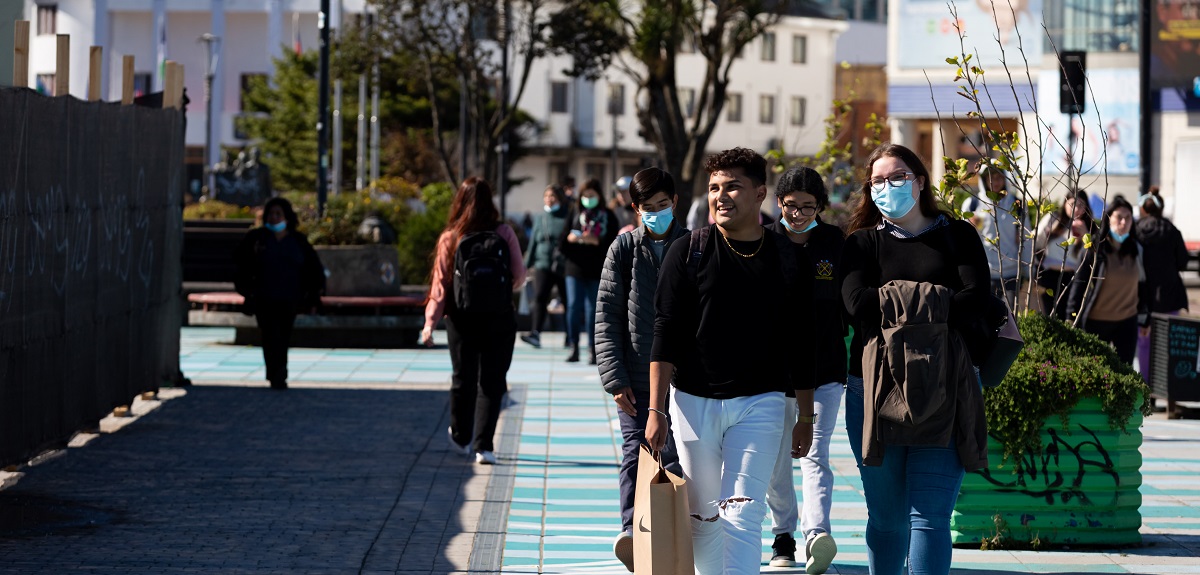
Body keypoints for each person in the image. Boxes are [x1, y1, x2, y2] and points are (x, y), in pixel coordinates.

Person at [646, 147, 817, 574]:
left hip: (761, 403)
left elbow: (801, 340)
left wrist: (806, 415)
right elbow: (664, 333)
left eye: (732, 186)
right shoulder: (688, 251)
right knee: (703, 518)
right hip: (692, 401)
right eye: (714, 188)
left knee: (742, 515)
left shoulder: (785, 257)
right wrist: (656, 409)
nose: (720, 196)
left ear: (760, 193)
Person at [841, 143, 990, 575]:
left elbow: (976, 301)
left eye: (898, 176)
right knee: (887, 521)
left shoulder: (957, 235)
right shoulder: (862, 244)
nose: (888, 186)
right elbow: (854, 304)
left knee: (929, 519)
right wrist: (936, 303)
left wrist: (891, 300)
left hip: (947, 386)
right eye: (879, 180)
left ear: (920, 181)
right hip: (872, 390)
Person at [594, 167, 688, 572]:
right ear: (636, 210)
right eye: (648, 208)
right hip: (635, 376)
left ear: (675, 203)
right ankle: (633, 532)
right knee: (637, 453)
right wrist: (614, 379)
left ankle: (685, 530)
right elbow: (607, 315)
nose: (656, 213)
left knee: (680, 454)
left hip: (686, 379)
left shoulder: (694, 245)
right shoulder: (624, 249)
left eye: (663, 205)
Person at [763, 166, 846, 573]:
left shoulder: (833, 242)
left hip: (826, 370)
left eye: (807, 207)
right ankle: (783, 536)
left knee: (815, 454)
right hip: (773, 375)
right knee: (778, 458)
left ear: (820, 207)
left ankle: (818, 536)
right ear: (778, 203)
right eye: (791, 206)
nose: (797, 214)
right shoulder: (763, 241)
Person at [421, 177, 528, 465]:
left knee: (463, 378)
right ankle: (484, 446)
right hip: (499, 317)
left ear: (459, 201)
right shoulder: (503, 232)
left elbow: (440, 286)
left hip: (461, 318)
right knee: (493, 381)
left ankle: (460, 436)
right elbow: (519, 276)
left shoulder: (451, 236)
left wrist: (430, 322)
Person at [233, 197, 325, 391]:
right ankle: (274, 372)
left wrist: (314, 294)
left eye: (278, 214)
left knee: (283, 336)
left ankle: (280, 371)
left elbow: (312, 268)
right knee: (269, 335)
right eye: (271, 214)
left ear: (287, 217)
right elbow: (241, 265)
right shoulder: (257, 239)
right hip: (264, 298)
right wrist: (247, 291)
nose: (274, 218)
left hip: (289, 297)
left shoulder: (297, 241)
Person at [1066, 195, 1149, 365]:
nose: (1124, 223)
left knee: (1125, 371)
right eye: (1119, 217)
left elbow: (1143, 286)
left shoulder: (1137, 250)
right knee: (1095, 372)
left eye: (1128, 218)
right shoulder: (1094, 250)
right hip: (1096, 322)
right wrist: (1070, 316)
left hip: (1127, 322)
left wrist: (1145, 318)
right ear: (1109, 219)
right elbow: (1079, 283)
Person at [558, 178, 619, 364]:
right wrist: (571, 239)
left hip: (596, 268)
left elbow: (612, 243)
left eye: (591, 195)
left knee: (594, 309)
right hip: (574, 268)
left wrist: (596, 241)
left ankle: (593, 349)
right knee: (573, 307)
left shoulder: (607, 215)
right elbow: (561, 243)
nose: (588, 199)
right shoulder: (575, 213)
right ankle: (573, 345)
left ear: (599, 196)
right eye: (585, 196)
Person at [1134, 186, 1190, 379]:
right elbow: (1183, 262)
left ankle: (1145, 387)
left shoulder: (1137, 230)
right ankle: (1164, 387)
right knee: (1166, 343)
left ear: (1144, 209)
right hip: (1170, 294)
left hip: (1142, 296)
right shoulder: (1172, 231)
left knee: (1144, 342)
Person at [963, 164, 1031, 307]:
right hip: (984, 272)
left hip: (1012, 272)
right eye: (990, 177)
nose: (995, 181)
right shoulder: (973, 204)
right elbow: (963, 239)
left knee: (1010, 316)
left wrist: (1029, 271)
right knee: (986, 315)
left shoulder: (1016, 204)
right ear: (984, 180)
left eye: (999, 177)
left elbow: (1026, 238)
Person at [519, 185, 570, 349]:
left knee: (567, 301)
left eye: (552, 196)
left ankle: (570, 335)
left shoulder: (567, 217)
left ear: (560, 198)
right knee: (540, 297)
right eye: (546, 195)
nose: (549, 199)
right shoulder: (540, 218)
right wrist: (525, 266)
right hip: (542, 264)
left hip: (562, 266)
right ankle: (535, 333)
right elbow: (533, 242)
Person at [1034, 189, 1093, 320]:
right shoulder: (1053, 219)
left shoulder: (1089, 227)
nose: (1076, 209)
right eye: (1072, 204)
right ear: (1065, 204)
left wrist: (1085, 235)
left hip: (1073, 278)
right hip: (1050, 276)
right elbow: (1036, 241)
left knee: (1069, 317)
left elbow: (1090, 256)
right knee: (1050, 317)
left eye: (1081, 205)